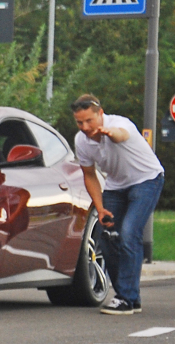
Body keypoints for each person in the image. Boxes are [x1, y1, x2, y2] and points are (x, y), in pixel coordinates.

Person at [71, 94, 166, 314]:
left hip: (147, 180)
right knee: (109, 236)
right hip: (115, 186)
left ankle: (125, 298)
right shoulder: (81, 141)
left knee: (129, 232)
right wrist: (100, 206)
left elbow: (121, 136)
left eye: (89, 121)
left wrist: (108, 133)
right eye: (79, 122)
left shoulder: (119, 124)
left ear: (100, 114)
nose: (85, 127)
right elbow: (90, 175)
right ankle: (131, 296)